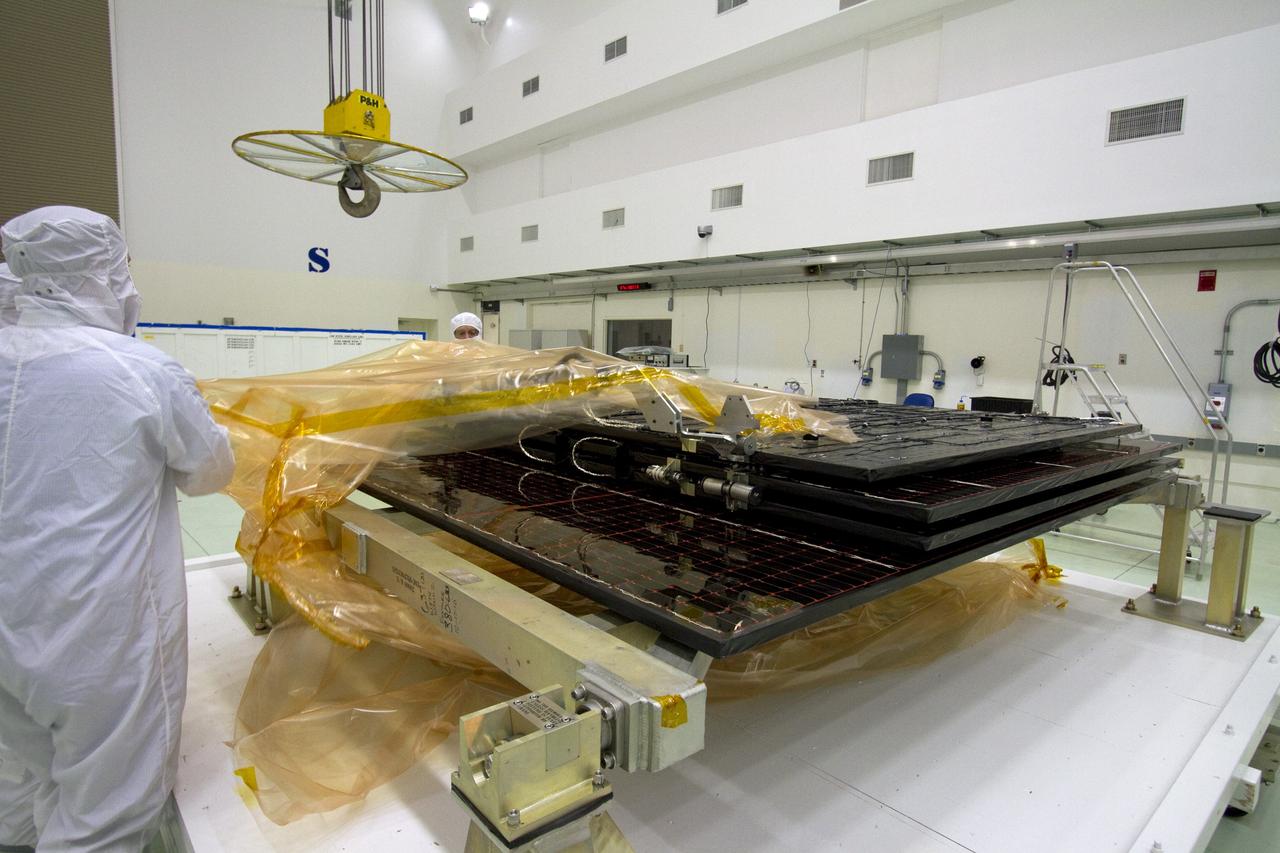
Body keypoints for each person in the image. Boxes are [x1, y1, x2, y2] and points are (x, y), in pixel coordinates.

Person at [0, 207, 235, 851]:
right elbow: (210, 472)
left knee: (25, 785)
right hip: (92, 637)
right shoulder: (139, 370)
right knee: (106, 815)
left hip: (8, 633)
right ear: (102, 275)